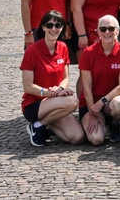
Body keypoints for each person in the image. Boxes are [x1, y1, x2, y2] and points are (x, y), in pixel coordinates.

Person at [19, 10, 85, 146]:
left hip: (56, 102)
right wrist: (49, 93)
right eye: (49, 25)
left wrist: (61, 88)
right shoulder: (32, 51)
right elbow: (28, 86)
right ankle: (37, 125)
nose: (54, 29)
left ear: (62, 28)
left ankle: (42, 125)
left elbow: (65, 78)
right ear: (43, 27)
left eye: (58, 25)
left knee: (77, 137)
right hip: (35, 104)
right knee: (73, 102)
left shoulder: (63, 47)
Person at [78, 15, 120, 144]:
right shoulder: (88, 53)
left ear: (117, 31)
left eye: (111, 29)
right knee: (97, 140)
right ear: (98, 31)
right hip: (90, 102)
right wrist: (92, 111)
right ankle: (96, 124)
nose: (107, 32)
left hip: (109, 102)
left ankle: (113, 123)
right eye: (103, 29)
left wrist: (101, 102)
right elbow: (87, 86)